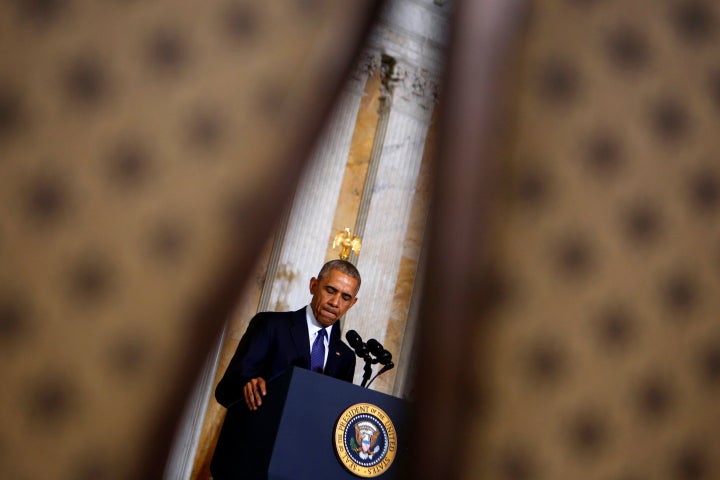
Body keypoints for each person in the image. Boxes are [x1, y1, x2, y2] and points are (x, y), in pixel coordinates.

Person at [214, 259, 361, 410]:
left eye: (345, 297)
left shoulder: (345, 357)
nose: (335, 303)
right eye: (330, 290)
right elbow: (225, 391)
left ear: (352, 303)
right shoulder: (270, 325)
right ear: (313, 286)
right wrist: (248, 388)